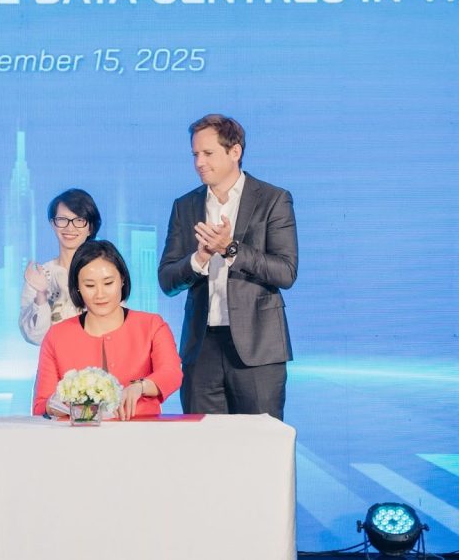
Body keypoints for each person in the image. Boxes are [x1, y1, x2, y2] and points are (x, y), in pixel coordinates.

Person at [158, 114, 298, 420]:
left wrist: (230, 248)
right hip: (201, 349)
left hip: (258, 348)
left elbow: (286, 272)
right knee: (203, 443)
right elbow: (167, 280)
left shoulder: (273, 199)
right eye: (195, 154)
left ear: (235, 151)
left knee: (259, 443)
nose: (199, 163)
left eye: (208, 153)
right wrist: (199, 259)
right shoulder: (185, 206)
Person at [34, 240, 182, 420]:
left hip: (141, 431)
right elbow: (41, 405)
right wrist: (57, 405)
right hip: (78, 434)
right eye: (90, 285)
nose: (100, 294)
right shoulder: (57, 336)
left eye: (108, 283)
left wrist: (140, 386)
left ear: (122, 280)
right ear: (77, 287)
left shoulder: (152, 325)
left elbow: (171, 373)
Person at [20, 188, 102, 345]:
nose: (70, 228)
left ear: (90, 228)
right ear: (53, 224)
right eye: (62, 219)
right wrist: (41, 295)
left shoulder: (104, 272)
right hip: (55, 358)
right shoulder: (41, 275)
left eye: (79, 220)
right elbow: (35, 337)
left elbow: (117, 324)